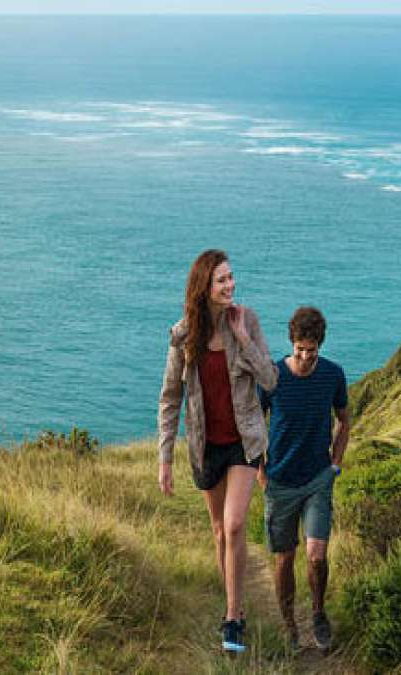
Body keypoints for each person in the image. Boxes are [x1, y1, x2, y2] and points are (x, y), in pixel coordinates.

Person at [157, 249, 278, 654]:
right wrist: (164, 459)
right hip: (206, 447)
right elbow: (170, 398)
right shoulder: (182, 335)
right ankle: (234, 603)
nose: (230, 285)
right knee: (218, 531)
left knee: (234, 525)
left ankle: (232, 616)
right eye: (222, 280)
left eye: (231, 277)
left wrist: (243, 339)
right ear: (204, 287)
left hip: (244, 442)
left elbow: (271, 380)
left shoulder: (247, 321)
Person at [258, 306, 350, 652]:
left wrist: (335, 465)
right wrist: (260, 470)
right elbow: (254, 422)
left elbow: (344, 419)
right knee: (284, 558)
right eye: (300, 348)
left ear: (319, 345)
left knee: (315, 555)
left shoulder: (333, 375)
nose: (306, 355)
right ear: (292, 343)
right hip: (279, 481)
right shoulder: (272, 376)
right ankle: (288, 625)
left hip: (317, 479)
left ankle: (318, 613)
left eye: (311, 350)